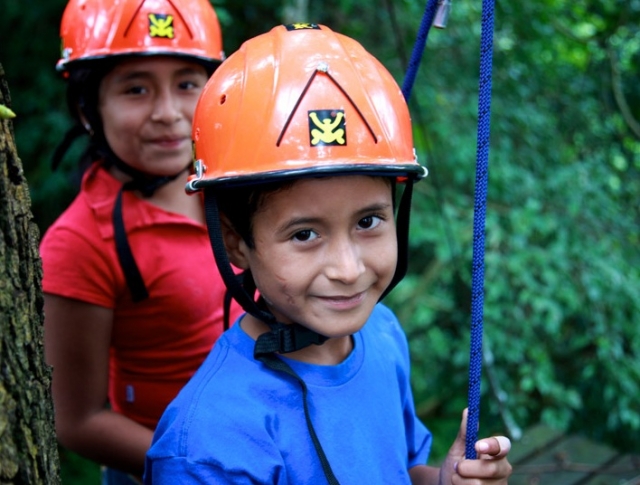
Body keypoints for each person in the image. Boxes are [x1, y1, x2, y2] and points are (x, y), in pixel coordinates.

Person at [144, 23, 513, 484]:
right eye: (304, 235)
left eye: (367, 222)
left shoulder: (381, 334)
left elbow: (398, 471)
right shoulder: (209, 446)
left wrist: (442, 481)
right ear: (235, 241)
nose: (348, 269)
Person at [40, 0, 242, 482]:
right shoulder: (80, 242)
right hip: (168, 465)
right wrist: (210, 470)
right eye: (136, 88)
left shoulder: (237, 192)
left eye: (188, 84)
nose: (169, 113)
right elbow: (79, 420)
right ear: (89, 108)